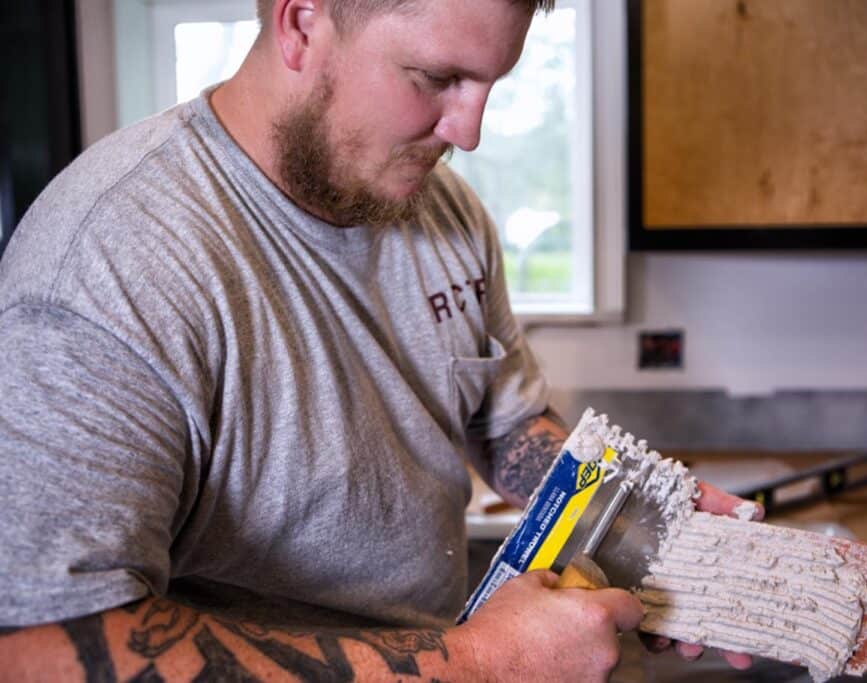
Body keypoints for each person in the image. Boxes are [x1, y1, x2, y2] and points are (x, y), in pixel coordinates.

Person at [0, 0, 759, 679]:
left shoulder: (442, 210)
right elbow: (36, 649)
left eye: (491, 84)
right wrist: (481, 662)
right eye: (436, 78)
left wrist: (637, 518)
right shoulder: (110, 262)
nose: (470, 130)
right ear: (302, 25)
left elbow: (506, 425)